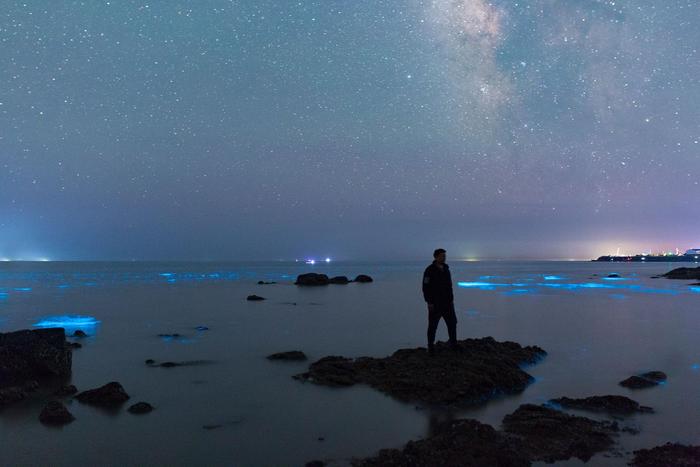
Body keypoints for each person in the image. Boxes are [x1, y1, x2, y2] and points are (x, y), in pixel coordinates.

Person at [422, 248, 458, 354]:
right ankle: (430, 347)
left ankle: (453, 344)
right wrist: (429, 302)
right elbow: (425, 287)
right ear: (436, 257)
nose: (444, 257)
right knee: (433, 326)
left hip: (448, 303)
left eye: (445, 256)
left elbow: (449, 286)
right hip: (435, 304)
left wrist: (451, 299)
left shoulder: (446, 269)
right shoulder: (429, 270)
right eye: (442, 255)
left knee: (452, 323)